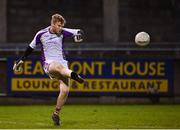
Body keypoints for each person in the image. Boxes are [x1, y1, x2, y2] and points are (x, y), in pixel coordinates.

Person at [13, 13, 84, 126]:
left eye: (61, 26)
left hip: (63, 64)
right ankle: (74, 75)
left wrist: (79, 35)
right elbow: (30, 47)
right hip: (49, 64)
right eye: (59, 25)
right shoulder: (41, 34)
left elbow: (79, 31)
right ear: (53, 24)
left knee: (65, 90)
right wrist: (22, 59)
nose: (61, 28)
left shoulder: (62, 31)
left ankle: (56, 113)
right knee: (57, 67)